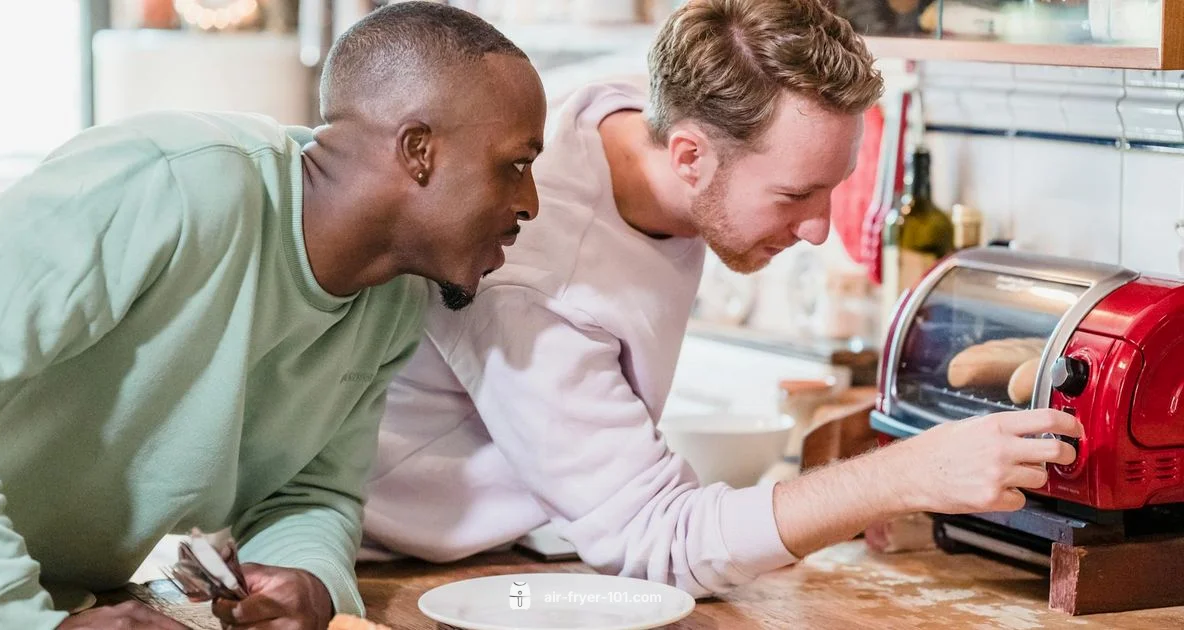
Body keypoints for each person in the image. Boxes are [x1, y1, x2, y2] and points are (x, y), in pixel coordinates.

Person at [360, 0, 1082, 597]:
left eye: (832, 186)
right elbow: (657, 542)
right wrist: (906, 475)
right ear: (688, 156)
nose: (820, 227)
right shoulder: (530, 281)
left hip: (523, 542)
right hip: (402, 573)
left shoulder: (629, 113)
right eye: (796, 194)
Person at [0, 4, 544, 629]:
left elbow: (311, 490)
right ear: (419, 150)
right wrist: (18, 617)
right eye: (515, 163)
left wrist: (307, 581)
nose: (530, 202)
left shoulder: (393, 302)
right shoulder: (174, 183)